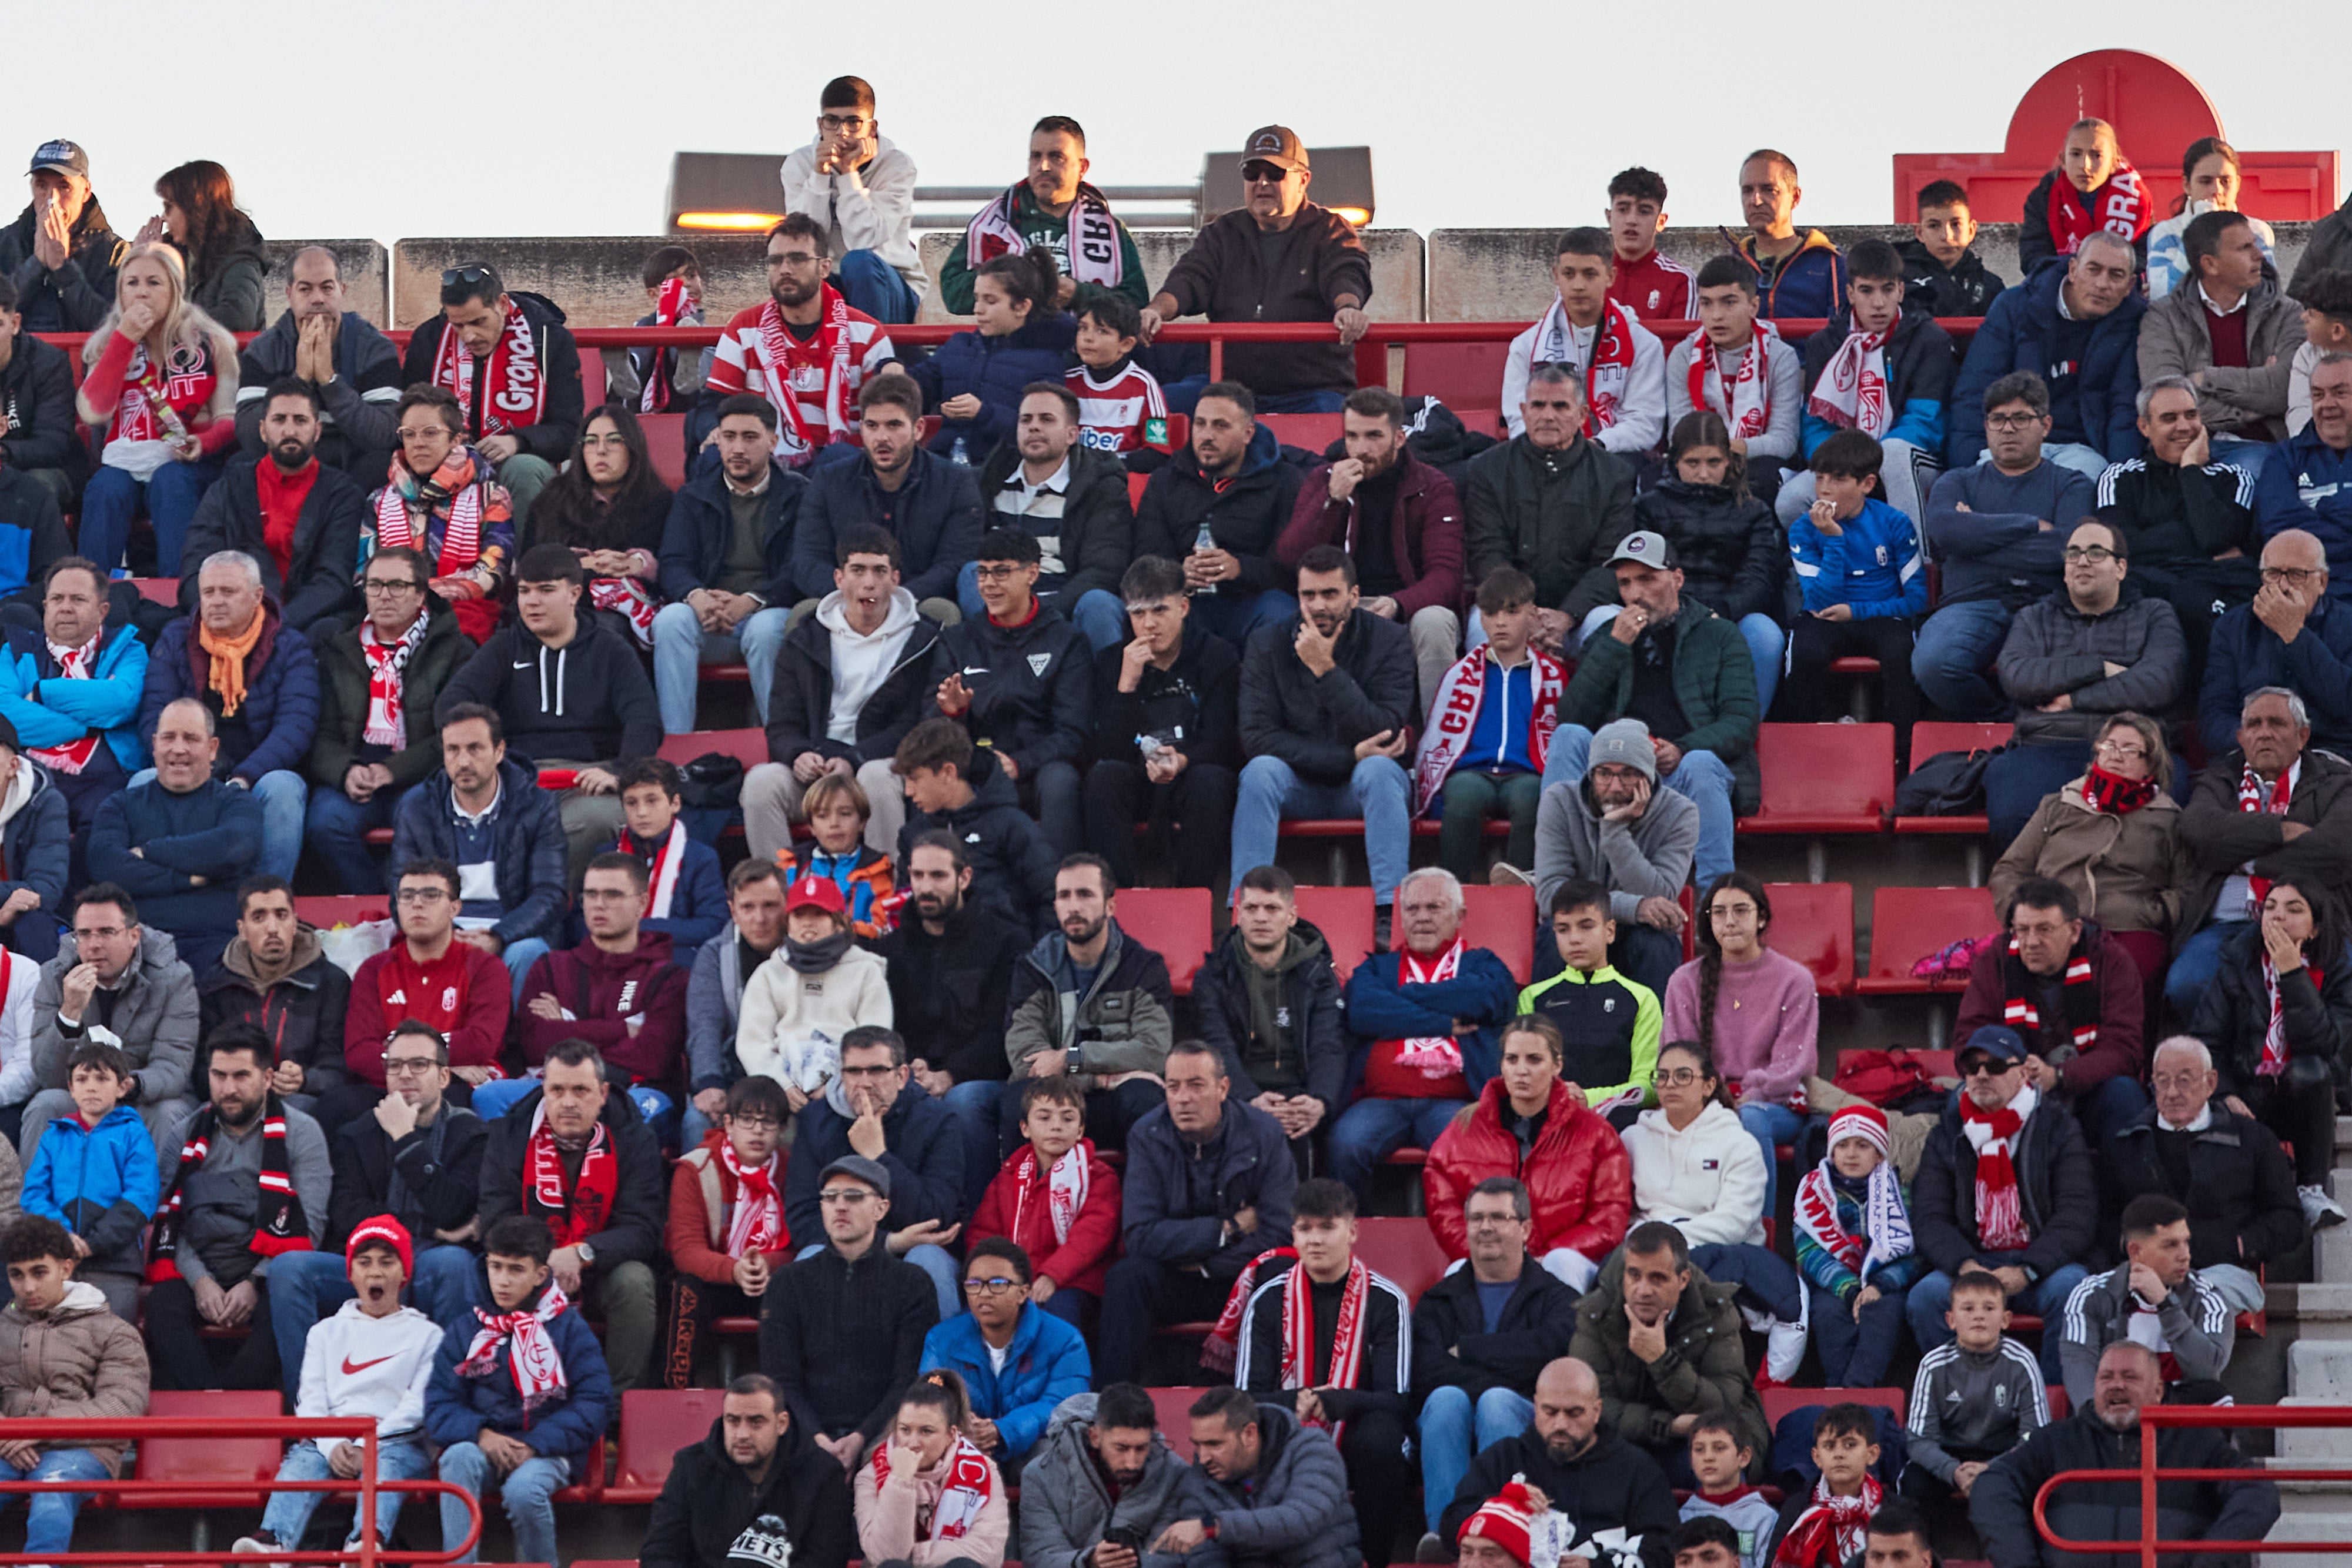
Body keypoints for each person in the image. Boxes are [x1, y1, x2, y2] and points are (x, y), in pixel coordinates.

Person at [1544, 531, 1758, 891]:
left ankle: (1716, 900)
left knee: (1701, 763)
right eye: (1625, 583)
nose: (1635, 594)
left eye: (1647, 579)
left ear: (1677, 579)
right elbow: (1572, 715)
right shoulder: (1607, 639)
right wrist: (1615, 647)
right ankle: (1558, 881)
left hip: (1681, 771)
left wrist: (1684, 748)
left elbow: (1740, 721)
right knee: (1568, 737)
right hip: (1618, 773)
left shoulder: (1720, 634)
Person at [436, 543, 663, 882]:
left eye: (546, 591)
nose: (531, 602)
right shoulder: (504, 646)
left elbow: (643, 719)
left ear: (574, 594)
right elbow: (453, 704)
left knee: (594, 821)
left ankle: (556, 911)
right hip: (517, 779)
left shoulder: (611, 649)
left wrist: (620, 771)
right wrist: (487, 757)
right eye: (525, 591)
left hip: (590, 778)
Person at [1224, 1179, 1412, 1566]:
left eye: (1327, 1227)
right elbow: (1244, 1398)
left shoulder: (1387, 1299)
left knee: (1382, 1437)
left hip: (1358, 1426)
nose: (1315, 1239)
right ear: (1292, 1233)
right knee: (1246, 1430)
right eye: (1305, 1228)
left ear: (1352, 1231)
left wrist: (1341, 1401)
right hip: (1286, 1423)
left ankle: (1371, 1559)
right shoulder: (1268, 1299)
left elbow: (1397, 1400)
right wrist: (1300, 1400)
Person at [231, 1216, 442, 1563]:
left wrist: (365, 1444)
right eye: (365, 1263)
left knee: (387, 1465)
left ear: (405, 1274)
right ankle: (273, 1541)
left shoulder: (429, 1335)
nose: (375, 1273)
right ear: (350, 1274)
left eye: (387, 1263)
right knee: (303, 1460)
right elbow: (310, 1399)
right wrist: (332, 1445)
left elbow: (417, 1406)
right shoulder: (325, 1332)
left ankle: (366, 1541)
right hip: (333, 1437)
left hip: (396, 1441)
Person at [1968, 1339, 2278, 1567]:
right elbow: (1994, 1484)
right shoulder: (2056, 1440)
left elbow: (2257, 1491)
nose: (2116, 1386)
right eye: (2106, 1378)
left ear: (2158, 1392)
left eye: (2130, 1377)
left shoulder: (2198, 1442)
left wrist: (2210, 1562)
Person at [141, 1023, 332, 1392]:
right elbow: (168, 1223)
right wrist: (200, 1282)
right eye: (219, 1075)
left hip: (266, 1269)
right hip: (201, 1267)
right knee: (163, 1305)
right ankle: (207, 1402)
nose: (228, 1089)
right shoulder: (182, 1135)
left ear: (268, 1078)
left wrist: (254, 1281)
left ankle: (232, 1403)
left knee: (283, 1303)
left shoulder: (303, 1133)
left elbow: (311, 1225)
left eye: (241, 1076)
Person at [286, 1020, 483, 1375]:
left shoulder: (469, 1132)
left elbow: (455, 1211)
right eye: (395, 1066)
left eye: (419, 1064)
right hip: (367, 1261)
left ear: (443, 1077)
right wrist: (429, 1228)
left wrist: (405, 1138)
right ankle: (306, 1410)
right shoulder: (356, 1133)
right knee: (290, 1269)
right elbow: (349, 1213)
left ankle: (451, 1402)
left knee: (455, 1263)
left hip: (430, 1264)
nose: (405, 1074)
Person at [1232, 547, 1417, 922]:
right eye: (1308, 595)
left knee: (1380, 771)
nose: (1318, 606)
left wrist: (1326, 670)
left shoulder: (1390, 641)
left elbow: (1384, 729)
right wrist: (1347, 756)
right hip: (1296, 784)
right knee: (1259, 772)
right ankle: (1244, 913)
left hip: (1363, 785)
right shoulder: (1267, 644)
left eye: (1330, 594)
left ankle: (1389, 914)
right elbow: (1257, 738)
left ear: (1354, 595)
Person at [1906, 1024, 2099, 1383]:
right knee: (1926, 1298)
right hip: (1972, 1262)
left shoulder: (2057, 1127)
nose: (1981, 1075)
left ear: (2023, 1072)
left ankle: (2049, 1406)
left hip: (2041, 1265)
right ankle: (1966, 1400)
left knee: (2074, 1291)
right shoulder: (1948, 1133)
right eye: (1972, 1067)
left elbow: (2077, 1214)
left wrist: (2027, 1270)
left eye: (1995, 1066)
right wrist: (1966, 1267)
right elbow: (1930, 1217)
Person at [477, 1039, 667, 1397]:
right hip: (529, 1268)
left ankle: (614, 1408)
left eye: (581, 1090)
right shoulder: (509, 1135)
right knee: (485, 1271)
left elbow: (643, 1228)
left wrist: (582, 1254)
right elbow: (495, 1222)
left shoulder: (634, 1138)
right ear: (543, 1091)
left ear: (603, 1093)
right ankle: (509, 1398)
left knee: (636, 1281)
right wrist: (542, 1260)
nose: (568, 1102)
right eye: (557, 1090)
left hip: (602, 1270)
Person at [1098, 1041, 1294, 1386]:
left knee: (1280, 1271)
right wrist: (1228, 1228)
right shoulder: (1147, 1133)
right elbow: (1140, 1236)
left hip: (1240, 1279)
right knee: (1127, 1277)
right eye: (1173, 1087)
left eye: (1196, 1085)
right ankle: (1112, 1406)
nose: (1183, 1098)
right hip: (1175, 1281)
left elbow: (1280, 1232)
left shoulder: (1263, 1132)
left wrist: (1206, 1265)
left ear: (1223, 1088)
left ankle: (1269, 1403)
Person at [427, 1215, 613, 1568]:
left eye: (516, 1270)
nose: (503, 1280)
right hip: (485, 1446)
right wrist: (481, 1434)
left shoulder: (569, 1328)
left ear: (540, 1275)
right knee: (456, 1459)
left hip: (548, 1450)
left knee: (523, 1490)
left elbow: (595, 1402)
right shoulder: (466, 1329)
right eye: (496, 1267)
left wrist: (536, 1444)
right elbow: (440, 1404)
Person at [1984, 520, 2187, 844]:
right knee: (2011, 805)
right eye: (2074, 554)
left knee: (2168, 806)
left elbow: (2158, 682)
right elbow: (2019, 677)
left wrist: (2073, 700)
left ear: (2121, 568)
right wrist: (2100, 667)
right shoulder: (2033, 618)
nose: (2081, 561)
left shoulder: (2154, 614)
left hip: (2135, 752)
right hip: (2047, 748)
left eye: (2095, 553)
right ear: (2064, 570)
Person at [745, 526, 939, 864]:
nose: (869, 583)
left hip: (878, 762)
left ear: (895, 579)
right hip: (818, 763)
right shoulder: (805, 638)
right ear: (839, 578)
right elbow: (781, 723)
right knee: (761, 783)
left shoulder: (925, 640)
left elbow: (916, 723)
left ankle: (885, 904)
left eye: (879, 571)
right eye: (858, 571)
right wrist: (798, 754)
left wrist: (856, 759)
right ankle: (777, 897)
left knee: (877, 778)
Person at [1622, 1039, 1809, 1388]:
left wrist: (1671, 1244)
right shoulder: (1633, 1138)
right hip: (1648, 1252)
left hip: (1721, 1252)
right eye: (1662, 1077)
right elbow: (1622, 1212)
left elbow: (1737, 1220)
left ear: (1709, 1085)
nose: (1670, 1085)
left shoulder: (1737, 1143)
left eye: (1682, 1076)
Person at [1144, 126, 1371, 413]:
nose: (1262, 182)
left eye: (1275, 173)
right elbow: (1189, 280)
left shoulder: (1330, 230)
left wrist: (1348, 308)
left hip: (1312, 391)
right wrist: (1155, 311)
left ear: (1303, 180)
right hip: (1228, 391)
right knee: (1157, 406)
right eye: (1252, 173)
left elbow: (1346, 271)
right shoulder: (1222, 233)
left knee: (1333, 417)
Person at [1409, 1176, 1583, 1546]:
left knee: (1497, 1403)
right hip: (1450, 1417)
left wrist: (1470, 1350)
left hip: (1523, 1421)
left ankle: (1504, 1535)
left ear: (1525, 1229)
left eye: (1498, 1218)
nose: (1485, 1227)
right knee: (1445, 1399)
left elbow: (1550, 1355)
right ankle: (1448, 1538)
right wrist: (1506, 1368)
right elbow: (1426, 1373)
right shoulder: (1437, 1301)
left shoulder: (1557, 1299)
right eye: (1476, 1218)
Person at [1913, 373, 2099, 718]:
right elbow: (1945, 532)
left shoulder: (2072, 483)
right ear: (1986, 426)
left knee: (2078, 668)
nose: (2008, 429)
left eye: (2021, 418)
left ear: (2045, 425)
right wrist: (2028, 525)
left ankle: (2036, 728)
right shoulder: (1957, 481)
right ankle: (2005, 721)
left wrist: (1975, 539)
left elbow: (2068, 551)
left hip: (2047, 601)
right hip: (1970, 603)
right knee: (1933, 665)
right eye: (1998, 419)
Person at [1330, 867, 1520, 1201]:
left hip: (1455, 1103)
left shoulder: (1481, 963)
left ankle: (1463, 1243)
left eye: (1434, 908)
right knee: (1345, 1144)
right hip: (1381, 1101)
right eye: (1412, 909)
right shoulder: (1379, 968)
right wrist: (1443, 1023)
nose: (1422, 918)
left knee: (1471, 1153)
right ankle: (1356, 1237)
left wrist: (1405, 996)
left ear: (1460, 915)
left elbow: (1485, 997)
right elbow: (1362, 1011)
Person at [1278, 385, 1466, 707]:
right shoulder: (1324, 479)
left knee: (1435, 622)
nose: (1361, 448)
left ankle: (1439, 743)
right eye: (1352, 436)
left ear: (1399, 438)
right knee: (1284, 618)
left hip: (1406, 605)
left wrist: (1398, 604)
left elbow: (1446, 575)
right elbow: (1291, 559)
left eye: (1374, 436)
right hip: (1339, 601)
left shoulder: (1433, 486)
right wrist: (1331, 500)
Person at [2169, 686, 2352, 1015]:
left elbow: (2336, 850)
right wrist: (2279, 830)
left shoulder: (2338, 781)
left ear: (2302, 735)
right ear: (2241, 737)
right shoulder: (2219, 779)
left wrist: (2242, 859)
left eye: (2277, 723)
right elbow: (2197, 831)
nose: (2264, 733)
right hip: (2229, 923)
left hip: (2313, 924)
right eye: (2254, 725)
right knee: (2186, 985)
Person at [138, 553, 317, 882]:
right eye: (209, 592)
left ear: (257, 596)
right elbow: (155, 715)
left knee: (284, 789)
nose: (216, 602)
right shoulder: (176, 638)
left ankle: (266, 899)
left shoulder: (290, 646)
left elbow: (296, 727)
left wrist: (244, 776)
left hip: (259, 772)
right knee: (142, 782)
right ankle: (160, 899)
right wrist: (195, 768)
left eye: (228, 592)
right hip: (194, 765)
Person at [1422, 1011, 1631, 1291]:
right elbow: (1443, 1205)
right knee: (1459, 1270)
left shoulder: (1595, 1132)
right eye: (1512, 1059)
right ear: (1502, 1065)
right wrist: (1489, 1252)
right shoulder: (1465, 1127)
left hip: (1562, 1261)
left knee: (1562, 1263)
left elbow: (1609, 1218)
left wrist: (1538, 1259)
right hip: (1488, 1257)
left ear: (1557, 1066)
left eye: (1534, 1060)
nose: (1521, 1070)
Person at [758, 1152, 940, 1473]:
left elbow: (908, 1380)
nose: (840, 1206)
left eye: (854, 1197)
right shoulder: (788, 1283)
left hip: (885, 1437)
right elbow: (781, 1378)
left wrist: (861, 1438)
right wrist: (816, 1438)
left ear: (881, 1209)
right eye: (830, 1198)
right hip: (804, 1437)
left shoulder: (912, 1285)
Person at [1989, 710, 2184, 1003]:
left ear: (2150, 766)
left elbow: (2187, 887)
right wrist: (2024, 918)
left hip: (2129, 926)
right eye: (2109, 746)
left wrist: (2154, 913)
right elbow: (2009, 870)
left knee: (2120, 986)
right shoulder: (2057, 805)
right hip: (2055, 922)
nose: (2116, 755)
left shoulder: (2169, 820)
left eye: (2130, 749)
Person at [2190, 877, 2352, 1228]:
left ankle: (2311, 1188)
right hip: (2248, 1093)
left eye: (2294, 910)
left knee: (2310, 1069)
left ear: (2314, 929)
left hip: (2308, 1096)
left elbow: (2324, 1045)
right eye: (2271, 907)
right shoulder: (2237, 961)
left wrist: (2292, 973)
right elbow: (2208, 1040)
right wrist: (2226, 1093)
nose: (2278, 917)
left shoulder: (2338, 969)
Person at [874, 833, 1025, 1203]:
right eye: (918, 876)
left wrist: (950, 1074)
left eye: (938, 876)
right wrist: (911, 1070)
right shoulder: (888, 951)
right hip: (911, 1075)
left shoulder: (1005, 941)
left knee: (963, 1102)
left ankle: (973, 1223)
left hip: (980, 1079)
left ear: (965, 877)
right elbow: (885, 1027)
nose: (926, 888)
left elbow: (1005, 1030)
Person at [305, 548, 467, 890]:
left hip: (423, 776)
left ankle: (406, 908)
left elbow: (457, 734)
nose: (384, 596)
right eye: (374, 585)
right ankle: (374, 903)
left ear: (421, 594)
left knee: (416, 813)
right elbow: (322, 733)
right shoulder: (338, 650)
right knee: (324, 822)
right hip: (358, 776)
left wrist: (393, 770)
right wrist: (345, 771)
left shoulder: (455, 650)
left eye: (397, 585)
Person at [74, 243, 240, 577]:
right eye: (131, 283)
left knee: (171, 481)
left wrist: (202, 444)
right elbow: (93, 413)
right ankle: (88, 592)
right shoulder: (106, 344)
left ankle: (179, 591)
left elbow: (229, 418)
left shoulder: (212, 343)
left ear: (175, 290)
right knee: (105, 489)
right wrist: (125, 339)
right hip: (125, 460)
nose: (142, 293)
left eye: (154, 282)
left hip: (188, 463)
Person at [2107, 1036, 2304, 1312]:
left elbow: (2288, 1217)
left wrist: (2240, 1244)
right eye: (2162, 1081)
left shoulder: (2251, 1138)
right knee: (2100, 1298)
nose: (2172, 1092)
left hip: (2225, 1271)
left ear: (2211, 1083)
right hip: (2147, 1272)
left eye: (2184, 1080)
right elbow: (2105, 1217)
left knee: (2198, 1303)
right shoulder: (2128, 1142)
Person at [1568, 1221, 1770, 1486]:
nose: (1643, 1290)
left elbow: (1722, 1407)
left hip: (1699, 1442)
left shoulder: (1715, 1312)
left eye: (1658, 1278)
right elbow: (1591, 1407)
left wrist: (1662, 1360)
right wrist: (1668, 1425)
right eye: (1634, 1275)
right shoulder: (1598, 1313)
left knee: (1716, 1464)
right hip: (1628, 1439)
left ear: (1683, 1279)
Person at [783, 1026, 967, 1318]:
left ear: (902, 1076)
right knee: (812, 1257)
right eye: (854, 1072)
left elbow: (936, 1216)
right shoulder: (815, 1122)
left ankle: (937, 1365)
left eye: (877, 1071)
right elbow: (804, 1221)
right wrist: (888, 1242)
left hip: (918, 1251)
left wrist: (878, 1156)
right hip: (847, 1250)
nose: (864, 1083)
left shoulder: (940, 1120)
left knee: (928, 1259)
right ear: (841, 1074)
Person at [931, 528, 1095, 854]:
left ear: (1032, 573)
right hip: (974, 762)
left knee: (1060, 781)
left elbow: (1074, 732)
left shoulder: (1066, 640)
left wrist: (1019, 763)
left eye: (1002, 572)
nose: (989, 584)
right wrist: (955, 715)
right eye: (983, 573)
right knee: (936, 776)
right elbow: (930, 727)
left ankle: (1058, 889)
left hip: (1039, 766)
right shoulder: (958, 640)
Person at [1084, 555, 1241, 894]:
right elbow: (1108, 750)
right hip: (1137, 775)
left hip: (1192, 772)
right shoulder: (1113, 661)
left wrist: (1181, 761)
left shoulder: (1218, 656)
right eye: (1139, 614)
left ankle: (1192, 898)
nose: (1149, 624)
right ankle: (1119, 897)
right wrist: (1126, 685)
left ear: (1183, 608)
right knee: (1103, 778)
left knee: (1211, 782)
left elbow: (1224, 740)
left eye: (1160, 611)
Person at [1664, 873, 1819, 1211]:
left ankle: (1759, 1234)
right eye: (1719, 912)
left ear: (1761, 917)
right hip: (1704, 1101)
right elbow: (1678, 1058)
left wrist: (1749, 1095)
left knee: (1750, 1119)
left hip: (1773, 1103)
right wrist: (1712, 1100)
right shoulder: (1684, 981)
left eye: (1741, 911)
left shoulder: (1795, 980)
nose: (1729, 921)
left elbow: (1794, 1064)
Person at [1956, 877, 2151, 1142]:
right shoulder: (1996, 962)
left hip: (2089, 1091)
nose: (2031, 941)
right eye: (2022, 930)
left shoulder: (2111, 962)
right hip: (2013, 1090)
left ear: (2074, 931)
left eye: (2044, 929)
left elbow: (2124, 1050)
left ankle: (2134, 1185)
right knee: (1961, 1101)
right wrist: (2010, 1070)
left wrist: (2059, 1076)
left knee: (2124, 1094)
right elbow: (1969, 1040)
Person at [0, 1213, 149, 1563]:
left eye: (39, 1272)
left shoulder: (115, 1331)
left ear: (66, 1269)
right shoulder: (2, 1325)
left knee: (53, 1489)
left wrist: (39, 1428)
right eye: (16, 1275)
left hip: (85, 1449)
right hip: (8, 1445)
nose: (28, 1288)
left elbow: (122, 1405)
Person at [388, 708, 567, 997]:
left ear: (499, 751)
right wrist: (449, 936)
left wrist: (498, 936)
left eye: (475, 749)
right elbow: (402, 891)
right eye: (453, 750)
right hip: (443, 931)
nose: (463, 761)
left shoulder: (537, 804)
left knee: (528, 953)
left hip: (513, 932)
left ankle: (523, 1041)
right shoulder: (417, 807)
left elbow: (549, 893)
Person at [1002, 856, 1173, 1158]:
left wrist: (1071, 1059)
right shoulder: (1033, 967)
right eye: (1064, 896)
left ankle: (1144, 1204)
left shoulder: (1144, 966)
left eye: (1085, 894)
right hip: (1058, 1097)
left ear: (1110, 906)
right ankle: (1025, 1202)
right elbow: (1026, 1058)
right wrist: (1096, 1077)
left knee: (1146, 1099)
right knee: (1018, 1101)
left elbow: (1153, 1051)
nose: (1073, 906)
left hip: (1115, 1099)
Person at [699, 213, 898, 471]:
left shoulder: (866, 332)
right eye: (775, 260)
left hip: (844, 463)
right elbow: (715, 402)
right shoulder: (743, 328)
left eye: (797, 259)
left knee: (838, 458)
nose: (785, 269)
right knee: (712, 458)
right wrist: (713, 430)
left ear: (825, 268)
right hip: (765, 458)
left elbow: (886, 412)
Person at [654, 393, 804, 732]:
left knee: (768, 630)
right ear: (717, 442)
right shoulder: (693, 496)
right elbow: (674, 562)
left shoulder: (800, 496)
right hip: (708, 615)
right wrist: (698, 597)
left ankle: (780, 742)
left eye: (750, 438)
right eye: (729, 437)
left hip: (767, 612)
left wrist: (750, 602)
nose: (738, 448)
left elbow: (800, 568)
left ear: (773, 441)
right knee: (670, 620)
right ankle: (675, 745)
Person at [19, 884, 198, 1165]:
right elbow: (47, 1076)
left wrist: (124, 1087)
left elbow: (173, 1069)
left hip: (143, 1095)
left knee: (171, 1113)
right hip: (81, 1095)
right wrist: (70, 1013)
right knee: (46, 1105)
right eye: (84, 934)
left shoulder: (174, 978)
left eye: (106, 932)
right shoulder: (54, 977)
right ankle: (41, 1208)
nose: (94, 945)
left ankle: (159, 1209)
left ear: (134, 936)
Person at [1780, 239, 1954, 528]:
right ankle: (1839, 566)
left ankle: (1916, 567)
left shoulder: (1929, 339)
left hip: (1910, 459)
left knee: (1897, 455)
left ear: (1901, 291)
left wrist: (1869, 462)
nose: (1878, 303)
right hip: (1843, 463)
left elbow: (1925, 422)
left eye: (1887, 290)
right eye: (1866, 291)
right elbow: (1814, 425)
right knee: (1790, 502)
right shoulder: (1824, 344)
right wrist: (1842, 468)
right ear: (1850, 293)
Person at [399, 262, 583, 530]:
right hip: (445, 462)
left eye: (478, 321)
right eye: (458, 325)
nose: (469, 336)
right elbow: (407, 415)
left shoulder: (549, 338)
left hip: (521, 465)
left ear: (503, 304)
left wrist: (519, 441)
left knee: (523, 470)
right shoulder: (430, 339)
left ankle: (527, 568)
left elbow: (570, 431)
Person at [2098, 377, 2263, 677]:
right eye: (2169, 418)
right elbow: (2119, 548)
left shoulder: (2234, 478)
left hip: (2208, 594)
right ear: (2144, 427)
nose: (2185, 427)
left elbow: (2215, 536)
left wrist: (2190, 469)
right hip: (2152, 590)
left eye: (2191, 415)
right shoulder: (2120, 477)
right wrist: (2191, 543)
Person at [87, 698, 264, 974]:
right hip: (136, 952)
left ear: (213, 748)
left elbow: (235, 846)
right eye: (169, 738)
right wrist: (185, 878)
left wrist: (149, 851)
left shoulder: (236, 803)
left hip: (219, 948)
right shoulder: (119, 805)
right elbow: (105, 864)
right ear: (155, 745)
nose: (178, 749)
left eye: (191, 739)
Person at [179, 379, 366, 637]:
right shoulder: (229, 488)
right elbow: (196, 566)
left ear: (318, 430)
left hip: (304, 625)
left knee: (331, 634)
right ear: (263, 430)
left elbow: (333, 581)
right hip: (229, 621)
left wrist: (273, 624)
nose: (290, 430)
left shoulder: (342, 494)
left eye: (301, 420)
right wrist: (232, 617)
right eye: (279, 420)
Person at [1948, 235, 2146, 479]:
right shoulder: (2015, 307)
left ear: (2130, 286)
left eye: (2116, 275)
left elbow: (2125, 409)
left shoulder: (2134, 323)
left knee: (2082, 491)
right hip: (2010, 441)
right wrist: (1967, 466)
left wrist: (2123, 481)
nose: (2102, 283)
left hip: (2083, 451)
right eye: (2093, 270)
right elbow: (1976, 389)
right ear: (2073, 270)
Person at [1782, 431, 1927, 764]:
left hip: (1882, 616)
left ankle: (1904, 758)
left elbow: (1918, 600)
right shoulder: (1804, 529)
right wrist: (1833, 539)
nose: (1825, 489)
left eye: (1838, 479)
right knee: (1806, 650)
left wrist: (1857, 611)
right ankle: (1801, 754)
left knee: (1900, 651)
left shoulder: (1895, 524)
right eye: (1819, 478)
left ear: (1867, 483)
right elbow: (1818, 602)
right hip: (1826, 617)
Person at [1412, 568, 1565, 883]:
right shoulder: (1460, 675)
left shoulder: (1552, 676)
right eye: (1491, 613)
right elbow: (1440, 740)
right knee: (1464, 796)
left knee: (1532, 798)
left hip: (1525, 774)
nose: (1500, 622)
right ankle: (1454, 888)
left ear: (1533, 615)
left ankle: (1522, 890)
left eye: (1512, 611)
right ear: (1480, 619)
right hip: (1473, 772)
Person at [511, 854, 690, 1118]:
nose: (599, 905)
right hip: (554, 1088)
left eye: (613, 895)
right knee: (491, 1096)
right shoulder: (550, 966)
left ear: (642, 903)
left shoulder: (669, 977)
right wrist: (621, 1030)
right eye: (591, 895)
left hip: (636, 1090)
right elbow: (535, 1043)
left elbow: (652, 1056)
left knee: (633, 1109)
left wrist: (565, 1027)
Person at [1193, 865, 1345, 1174]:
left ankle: (1298, 1222)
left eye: (1272, 908)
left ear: (1291, 916)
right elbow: (1218, 1046)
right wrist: (1249, 1098)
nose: (1261, 917)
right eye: (1251, 908)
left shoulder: (1319, 976)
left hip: (1299, 1090)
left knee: (1295, 1130)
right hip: (1236, 1091)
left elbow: (1328, 1044)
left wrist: (1318, 1101)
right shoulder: (1213, 975)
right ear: (1238, 914)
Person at [1631, 416, 1789, 713]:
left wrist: (1721, 612)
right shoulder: (1648, 507)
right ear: (1675, 461)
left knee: (1766, 635)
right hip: (1666, 609)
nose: (1703, 474)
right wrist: (1680, 612)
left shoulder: (1754, 510)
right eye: (1693, 463)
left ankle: (1746, 730)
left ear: (1728, 462)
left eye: (1713, 462)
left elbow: (1758, 576)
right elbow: (1646, 570)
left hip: (1731, 612)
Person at [791, 375, 980, 619]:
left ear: (919, 429)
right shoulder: (828, 480)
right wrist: (858, 597)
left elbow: (955, 563)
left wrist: (894, 600)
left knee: (943, 613)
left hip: (919, 604)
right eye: (872, 426)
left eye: (894, 425)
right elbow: (807, 560)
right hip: (846, 602)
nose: (881, 437)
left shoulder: (956, 483)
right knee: (802, 614)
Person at [1531, 722, 1698, 998]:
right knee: (1554, 933)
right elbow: (1551, 895)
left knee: (1656, 942)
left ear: (1648, 775)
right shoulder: (1559, 801)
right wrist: (1635, 906)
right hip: (1581, 924)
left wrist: (1614, 832)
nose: (1615, 786)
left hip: (1638, 932)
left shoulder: (1680, 813)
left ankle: (1659, 1041)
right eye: (1604, 773)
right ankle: (1544, 1037)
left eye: (1629, 774)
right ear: (1591, 772)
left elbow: (1661, 894)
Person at [1134, 383, 1305, 646]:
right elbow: (1146, 556)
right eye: (1200, 424)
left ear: (1249, 433)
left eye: (1220, 426)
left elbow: (1291, 567)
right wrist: (1179, 575)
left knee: (1280, 612)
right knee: (1145, 613)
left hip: (1253, 601)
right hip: (1185, 602)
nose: (1207, 435)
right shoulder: (1165, 481)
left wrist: (1239, 568)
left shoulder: (1286, 481)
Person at [340, 859, 513, 1119]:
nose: (417, 904)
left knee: (457, 1109)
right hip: (396, 1085)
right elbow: (359, 1052)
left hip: (455, 1087)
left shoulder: (486, 968)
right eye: (407, 896)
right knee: (337, 1106)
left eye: (431, 895)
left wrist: (397, 1054)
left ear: (455, 907)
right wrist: (438, 1064)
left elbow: (480, 1043)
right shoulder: (373, 970)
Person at [971, 382, 1133, 650]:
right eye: (1026, 420)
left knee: (1099, 604)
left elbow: (1104, 569)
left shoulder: (1102, 487)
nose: (1034, 427)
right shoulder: (990, 479)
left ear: (1072, 434)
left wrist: (1039, 614)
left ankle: (1109, 691)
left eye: (1047, 420)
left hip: (1065, 600)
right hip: (999, 597)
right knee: (969, 572)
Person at [642, 1372, 858, 1568]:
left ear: (781, 1423)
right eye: (733, 1421)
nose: (742, 1434)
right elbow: (660, 1553)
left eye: (756, 1422)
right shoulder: (690, 1466)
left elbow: (826, 1560)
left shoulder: (823, 1473)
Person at [0, 559, 146, 847]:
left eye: (78, 599)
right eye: (57, 599)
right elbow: (6, 717)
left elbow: (120, 702)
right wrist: (88, 726)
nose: (65, 607)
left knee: (102, 836)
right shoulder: (15, 651)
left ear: (103, 611)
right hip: (29, 778)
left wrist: (43, 694)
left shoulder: (129, 650)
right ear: (45, 606)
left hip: (106, 782)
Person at [660, 1075, 794, 1389]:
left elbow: (803, 1243)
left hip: (767, 1277)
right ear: (729, 1124)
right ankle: (677, 1392)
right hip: (713, 1276)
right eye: (747, 1120)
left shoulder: (793, 1170)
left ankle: (785, 1399)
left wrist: (767, 1265)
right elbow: (685, 1250)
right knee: (686, 1290)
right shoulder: (695, 1168)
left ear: (783, 1128)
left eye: (768, 1122)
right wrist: (734, 1270)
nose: (758, 1131)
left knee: (793, 1289)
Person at [943, 116, 1150, 318]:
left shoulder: (1110, 229)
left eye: (1056, 157)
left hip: (1083, 348)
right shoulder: (994, 222)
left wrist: (1079, 294)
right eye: (1036, 156)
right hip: (1011, 347)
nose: (1043, 166)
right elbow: (952, 292)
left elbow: (1136, 301)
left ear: (1082, 168)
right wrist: (1012, 284)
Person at [922, 1238, 1093, 1476]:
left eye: (998, 1284)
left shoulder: (1064, 1340)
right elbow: (932, 1393)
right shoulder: (941, 1339)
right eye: (974, 1284)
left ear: (1024, 1292)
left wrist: (1003, 1430)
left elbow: (1064, 1405)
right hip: (962, 1444)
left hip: (1030, 1445)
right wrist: (962, 1423)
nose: (984, 1293)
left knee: (1057, 1455)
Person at [2138, 213, 2301, 462]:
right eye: (2245, 248)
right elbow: (2165, 398)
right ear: (2211, 264)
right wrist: (2247, 413)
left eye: (2255, 244)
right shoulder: (2163, 316)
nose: (2259, 255)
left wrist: (2205, 378)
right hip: (2184, 448)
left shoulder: (2287, 313)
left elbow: (2282, 389)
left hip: (2262, 447)